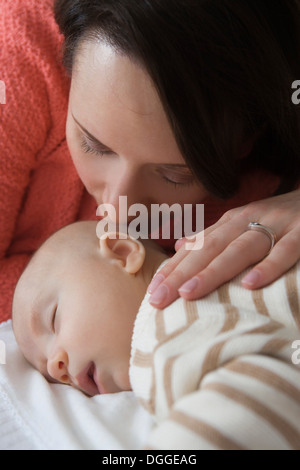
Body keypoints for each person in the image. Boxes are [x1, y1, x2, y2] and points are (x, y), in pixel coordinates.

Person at [2, 0, 300, 323]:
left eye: (175, 176)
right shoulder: (18, 55)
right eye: (94, 145)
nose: (118, 209)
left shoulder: (267, 198)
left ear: (247, 141)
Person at [12, 221, 300, 450]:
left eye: (54, 319)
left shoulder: (168, 320)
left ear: (123, 254)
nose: (54, 367)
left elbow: (263, 387)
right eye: (48, 373)